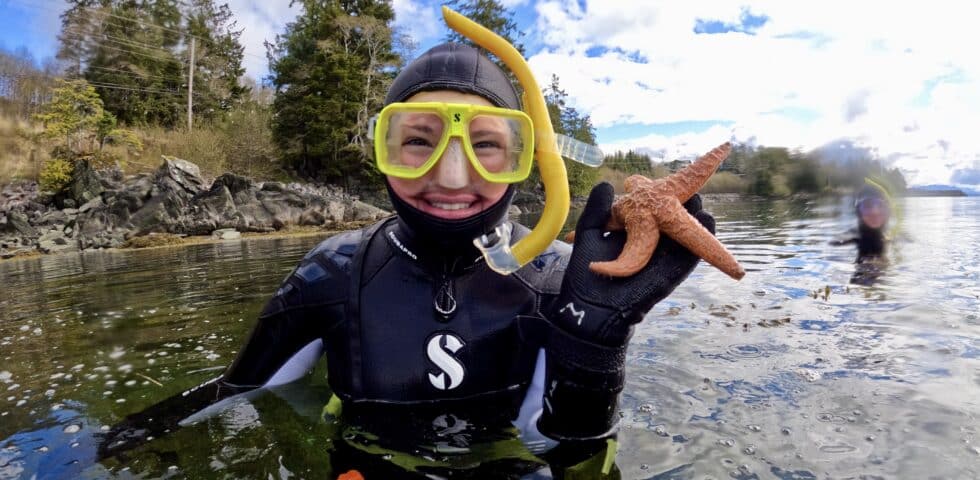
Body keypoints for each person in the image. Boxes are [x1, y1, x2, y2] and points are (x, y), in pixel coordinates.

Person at [97, 42, 716, 478]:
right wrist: (118, 442)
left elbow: (574, 458)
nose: (451, 176)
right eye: (417, 141)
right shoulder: (330, 275)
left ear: (526, 157)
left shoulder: (567, 281)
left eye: (486, 147)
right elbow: (239, 393)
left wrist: (596, 352)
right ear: (383, 150)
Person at [832, 180, 892, 285]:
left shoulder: (899, 239)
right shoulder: (845, 239)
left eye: (880, 205)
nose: (875, 211)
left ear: (888, 211)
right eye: (868, 205)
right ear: (858, 211)